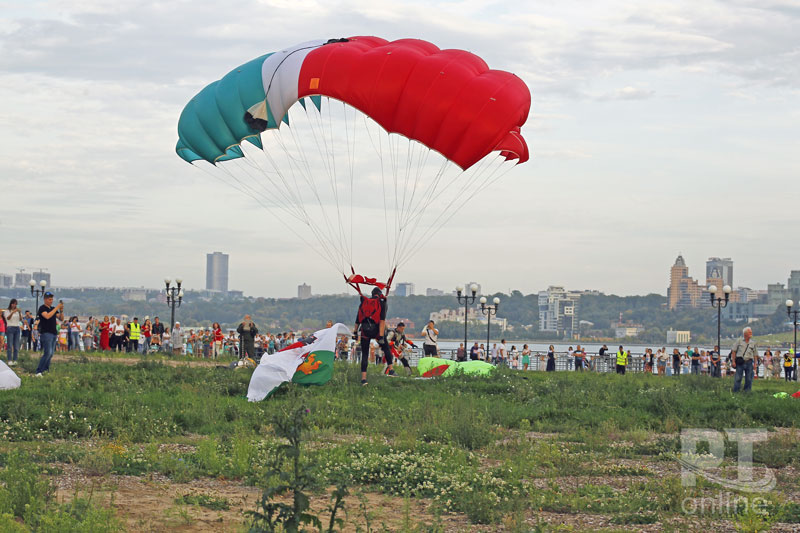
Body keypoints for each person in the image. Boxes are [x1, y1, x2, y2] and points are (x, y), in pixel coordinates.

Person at [353, 287, 394, 385]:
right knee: (386, 348)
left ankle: (363, 379)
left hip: (364, 330)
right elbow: (382, 320)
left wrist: (355, 332)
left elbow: (358, 319)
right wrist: (381, 336)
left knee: (365, 354)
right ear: (379, 294)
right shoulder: (382, 302)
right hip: (376, 329)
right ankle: (391, 370)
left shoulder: (364, 302)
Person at [35, 292, 63, 376]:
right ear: (45, 299)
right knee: (47, 353)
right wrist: (57, 307)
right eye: (49, 299)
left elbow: (61, 318)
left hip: (53, 333)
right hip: (46, 333)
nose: (51, 301)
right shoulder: (42, 308)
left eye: (52, 299)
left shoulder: (53, 308)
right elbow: (47, 316)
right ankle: (39, 371)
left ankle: (45, 370)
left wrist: (61, 310)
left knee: (51, 354)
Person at [731, 327, 758, 392]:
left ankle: (747, 391)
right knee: (738, 378)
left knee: (749, 378)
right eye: (749, 332)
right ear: (745, 333)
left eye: (751, 332)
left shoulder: (753, 343)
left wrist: (755, 364)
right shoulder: (739, 341)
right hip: (740, 362)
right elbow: (733, 351)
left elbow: (755, 354)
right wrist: (733, 361)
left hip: (749, 362)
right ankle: (736, 391)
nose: (751, 333)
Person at [3, 299, 23, 366]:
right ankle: (9, 360)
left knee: (16, 346)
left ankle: (15, 360)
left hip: (17, 328)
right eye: (13, 304)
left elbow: (21, 319)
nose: (14, 305)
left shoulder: (18, 311)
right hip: (10, 328)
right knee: (10, 345)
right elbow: (8, 318)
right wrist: (12, 312)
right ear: (11, 304)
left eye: (15, 304)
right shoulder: (7, 311)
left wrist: (19, 312)